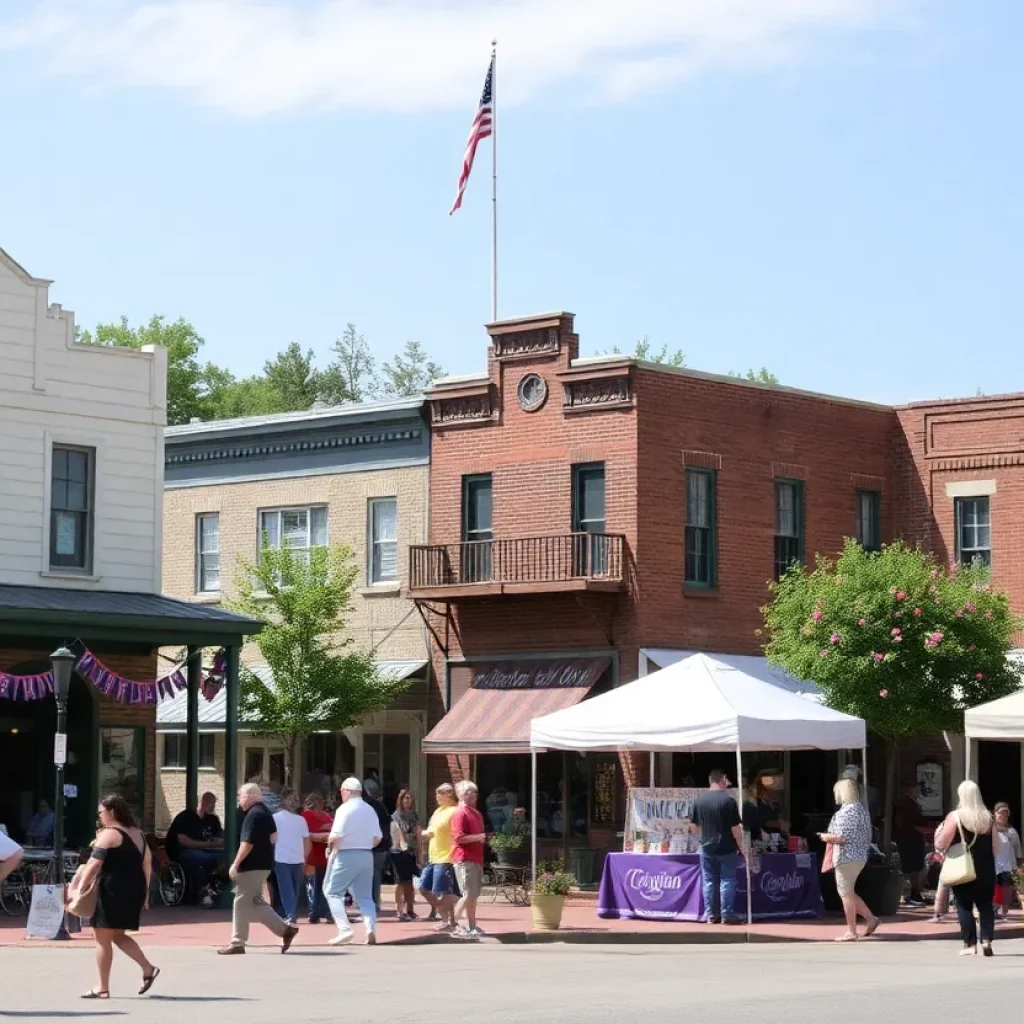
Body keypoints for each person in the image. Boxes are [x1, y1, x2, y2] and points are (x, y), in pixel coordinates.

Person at [74, 795, 158, 999]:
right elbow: (147, 864)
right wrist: (146, 893)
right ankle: (148, 968)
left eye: (100, 812)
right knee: (118, 935)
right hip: (134, 889)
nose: (99, 816)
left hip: (112, 890)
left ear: (111, 812)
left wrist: (79, 889)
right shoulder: (138, 834)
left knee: (102, 938)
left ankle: (102, 987)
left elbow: (93, 864)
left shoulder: (110, 834)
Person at [218, 783, 298, 955]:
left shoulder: (253, 815)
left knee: (241, 901)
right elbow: (274, 837)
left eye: (241, 795)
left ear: (252, 796)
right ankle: (286, 930)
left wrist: (235, 863)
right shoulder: (266, 813)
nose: (239, 799)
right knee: (254, 902)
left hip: (251, 866)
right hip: (264, 865)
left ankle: (237, 942)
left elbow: (247, 843)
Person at [935, 780, 997, 956]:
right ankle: (986, 940)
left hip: (963, 866)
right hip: (986, 866)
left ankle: (970, 944)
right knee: (985, 905)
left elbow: (943, 842)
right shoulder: (988, 817)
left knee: (964, 905)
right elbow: (997, 847)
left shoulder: (955, 816)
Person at [818, 778, 879, 941]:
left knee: (845, 893)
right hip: (859, 856)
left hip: (847, 857)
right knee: (849, 892)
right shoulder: (861, 810)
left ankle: (852, 930)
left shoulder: (845, 813)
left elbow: (840, 837)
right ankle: (870, 918)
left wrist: (825, 837)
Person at [324, 777, 381, 946]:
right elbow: (378, 838)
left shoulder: (344, 809)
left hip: (345, 854)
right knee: (365, 896)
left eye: (342, 791)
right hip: (366, 854)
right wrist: (365, 845)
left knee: (332, 892)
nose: (341, 794)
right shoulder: (370, 809)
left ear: (347, 791)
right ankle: (370, 929)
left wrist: (330, 848)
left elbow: (335, 835)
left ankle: (344, 929)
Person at [691, 770, 744, 925]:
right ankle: (727, 914)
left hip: (707, 847)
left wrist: (701, 839)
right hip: (727, 847)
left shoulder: (699, 800)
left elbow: (694, 826)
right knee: (727, 880)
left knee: (709, 881)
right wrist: (742, 846)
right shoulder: (729, 801)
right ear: (723, 780)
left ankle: (712, 915)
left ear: (710, 781)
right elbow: (736, 829)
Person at [419, 783, 460, 931]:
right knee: (424, 887)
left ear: (449, 794)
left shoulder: (455, 812)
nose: (436, 796)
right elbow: (431, 831)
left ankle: (448, 920)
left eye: (439, 793)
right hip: (434, 857)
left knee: (444, 892)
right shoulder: (438, 811)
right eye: (436, 793)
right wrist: (422, 833)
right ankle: (448, 916)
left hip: (446, 858)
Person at [165, 792, 224, 890]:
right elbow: (183, 841)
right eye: (210, 804)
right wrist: (207, 844)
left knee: (222, 857)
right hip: (182, 851)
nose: (213, 807)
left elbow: (219, 837)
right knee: (210, 858)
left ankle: (215, 884)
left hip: (207, 850)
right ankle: (205, 886)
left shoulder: (213, 819)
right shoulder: (185, 817)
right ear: (202, 803)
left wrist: (219, 842)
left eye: (214, 804)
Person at [452, 780, 487, 939]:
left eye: (474, 792)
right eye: (468, 792)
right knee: (468, 894)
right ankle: (453, 924)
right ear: (460, 794)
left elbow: (477, 836)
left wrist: (482, 838)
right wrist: (479, 837)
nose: (473, 795)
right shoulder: (460, 812)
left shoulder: (477, 814)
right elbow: (458, 837)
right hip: (464, 858)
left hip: (477, 858)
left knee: (474, 895)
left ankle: (472, 926)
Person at [272, 788, 310, 927]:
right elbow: (307, 842)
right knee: (294, 888)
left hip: (281, 857)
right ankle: (291, 913)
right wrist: (304, 858)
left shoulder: (275, 818)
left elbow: (272, 838)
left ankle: (290, 914)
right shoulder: (301, 820)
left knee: (286, 888)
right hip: (297, 858)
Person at [893, 782, 931, 907]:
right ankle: (910, 894)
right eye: (916, 789)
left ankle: (915, 893)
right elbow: (904, 823)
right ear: (910, 790)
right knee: (912, 868)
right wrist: (920, 829)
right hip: (909, 840)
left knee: (918, 867)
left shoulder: (915, 803)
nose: (919, 791)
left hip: (915, 839)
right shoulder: (905, 804)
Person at [301, 792, 334, 924]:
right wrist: (324, 835)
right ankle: (314, 912)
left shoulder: (326, 815)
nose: (322, 804)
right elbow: (308, 834)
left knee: (325, 884)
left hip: (326, 854)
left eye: (322, 801)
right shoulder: (306, 815)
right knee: (313, 885)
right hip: (313, 853)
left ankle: (326, 911)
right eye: (319, 801)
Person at [362, 778, 392, 914]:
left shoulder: (367, 806)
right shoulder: (380, 806)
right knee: (375, 876)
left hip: (371, 847)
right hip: (381, 845)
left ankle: (370, 904)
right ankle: (374, 903)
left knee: (368, 877)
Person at [390, 789, 421, 921]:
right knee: (400, 882)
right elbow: (398, 833)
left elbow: (418, 834)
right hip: (398, 852)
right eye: (405, 798)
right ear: (400, 800)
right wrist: (403, 845)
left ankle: (410, 909)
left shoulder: (414, 815)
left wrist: (420, 853)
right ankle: (399, 910)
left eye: (410, 798)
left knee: (409, 881)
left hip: (411, 851)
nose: (408, 800)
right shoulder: (396, 815)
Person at [992, 802, 1021, 920]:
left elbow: (1017, 849)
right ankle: (994, 911)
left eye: (1006, 814)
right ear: (995, 814)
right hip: (993, 865)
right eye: (1000, 813)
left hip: (1007, 865)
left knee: (1006, 889)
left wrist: (1019, 865)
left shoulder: (1011, 832)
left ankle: (1004, 912)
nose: (1003, 816)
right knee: (994, 888)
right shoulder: (989, 830)